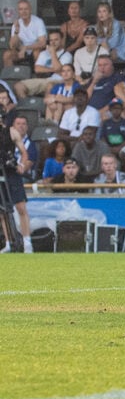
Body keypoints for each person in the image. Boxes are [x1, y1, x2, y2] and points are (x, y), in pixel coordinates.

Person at [0, 113, 34, 253]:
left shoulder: (11, 131)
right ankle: (8, 242)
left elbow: (24, 152)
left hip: (11, 172)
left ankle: (27, 242)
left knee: (20, 207)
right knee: (2, 211)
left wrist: (21, 164)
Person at [13, 28, 72, 99]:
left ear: (61, 40)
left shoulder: (67, 55)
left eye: (56, 40)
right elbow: (37, 69)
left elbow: (60, 70)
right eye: (51, 40)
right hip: (43, 80)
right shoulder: (44, 53)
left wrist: (53, 53)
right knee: (19, 86)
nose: (53, 43)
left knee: (50, 86)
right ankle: (26, 105)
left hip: (58, 81)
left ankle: (44, 109)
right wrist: (53, 70)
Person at [4, 0, 47, 68]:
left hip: (35, 50)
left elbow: (43, 43)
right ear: (18, 11)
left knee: (37, 53)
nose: (23, 12)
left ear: (30, 10)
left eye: (26, 9)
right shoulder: (16, 24)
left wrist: (26, 47)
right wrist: (16, 31)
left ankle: (39, 76)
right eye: (21, 9)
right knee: (7, 54)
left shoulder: (38, 22)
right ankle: (10, 77)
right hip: (21, 51)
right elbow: (12, 45)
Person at [100, 98, 125, 168]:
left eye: (118, 108)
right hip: (109, 146)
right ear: (110, 110)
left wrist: (119, 147)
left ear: (122, 110)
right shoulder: (105, 123)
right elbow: (102, 138)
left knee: (124, 153)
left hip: (122, 146)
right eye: (114, 108)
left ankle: (123, 169)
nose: (116, 110)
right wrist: (109, 148)